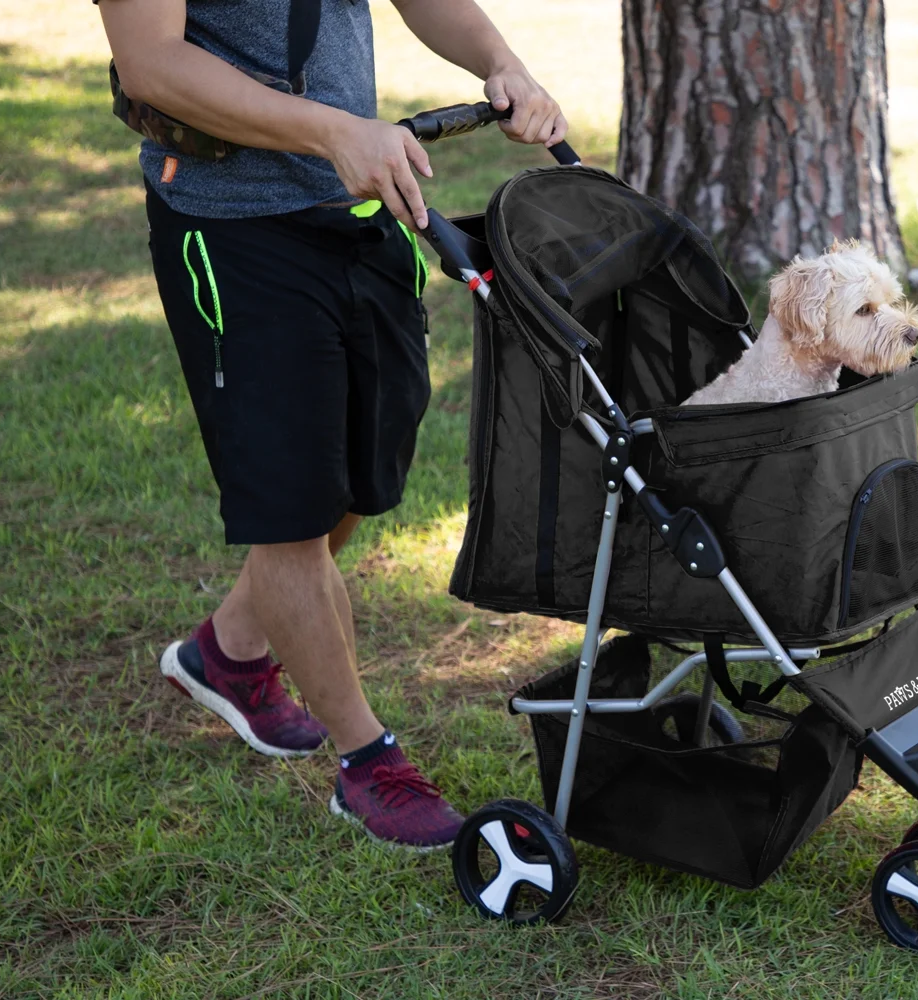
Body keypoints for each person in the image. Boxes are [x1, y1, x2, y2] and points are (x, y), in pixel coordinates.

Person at [97, 0, 568, 850]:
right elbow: (151, 64)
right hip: (231, 227)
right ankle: (366, 762)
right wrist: (332, 131)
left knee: (364, 470)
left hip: (355, 207)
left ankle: (230, 651)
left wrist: (501, 62)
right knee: (290, 511)